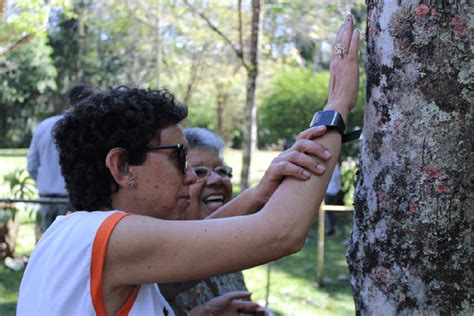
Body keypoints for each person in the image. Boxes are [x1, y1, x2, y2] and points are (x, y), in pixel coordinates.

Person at [17, 15, 360, 315]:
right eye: (177, 156)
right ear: (122, 167)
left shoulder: (72, 234)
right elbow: (280, 233)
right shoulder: (110, 237)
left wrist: (260, 192)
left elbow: (185, 260)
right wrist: (337, 107)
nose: (192, 174)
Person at [168, 128, 273, 315]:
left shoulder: (228, 245)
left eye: (222, 170)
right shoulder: (158, 253)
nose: (217, 179)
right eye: (199, 172)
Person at [26, 85, 91, 238]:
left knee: (46, 243)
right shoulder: (87, 128)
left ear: (69, 102)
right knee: (71, 244)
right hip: (72, 199)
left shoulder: (45, 125)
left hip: (46, 198)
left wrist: (44, 182)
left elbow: (32, 164)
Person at [324, 162, 344, 235]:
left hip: (329, 191)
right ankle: (332, 225)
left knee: (327, 211)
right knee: (329, 211)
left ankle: (330, 229)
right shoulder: (336, 167)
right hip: (335, 191)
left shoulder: (331, 167)